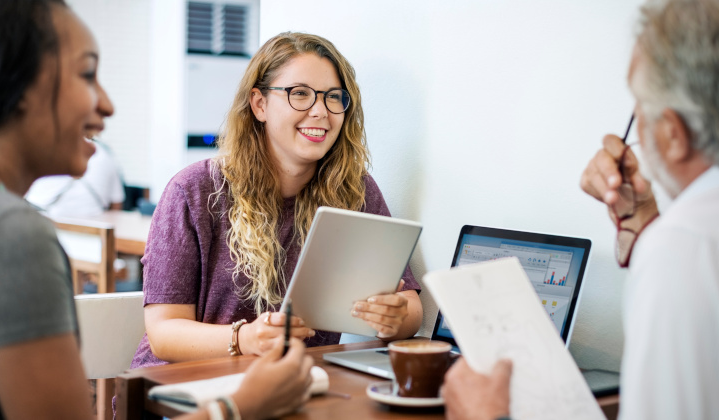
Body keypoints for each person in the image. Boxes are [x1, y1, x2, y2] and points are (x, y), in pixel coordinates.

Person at [0, 1, 314, 419]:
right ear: (14, 89)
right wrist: (240, 406)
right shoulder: (3, 234)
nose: (106, 104)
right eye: (87, 74)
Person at [441, 0, 719, 419]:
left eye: (638, 108)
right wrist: (643, 224)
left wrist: (487, 416)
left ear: (674, 135)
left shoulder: (681, 248)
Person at [132, 32, 424, 368]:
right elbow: (164, 333)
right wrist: (245, 340)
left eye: (333, 97)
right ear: (259, 104)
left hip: (294, 384)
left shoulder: (355, 190)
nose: (320, 111)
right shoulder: (193, 190)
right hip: (186, 390)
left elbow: (411, 306)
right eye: (300, 94)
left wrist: (395, 318)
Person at [25, 139, 125, 218]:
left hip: (50, 224)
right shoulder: (106, 155)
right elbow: (117, 206)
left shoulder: (46, 150)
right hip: (95, 232)